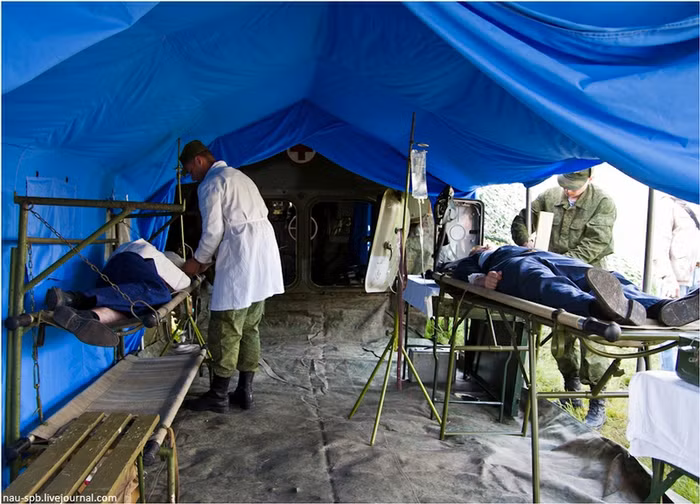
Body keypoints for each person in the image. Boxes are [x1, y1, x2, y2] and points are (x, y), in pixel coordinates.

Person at [437, 245, 699, 428]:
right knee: (540, 281)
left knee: (600, 276)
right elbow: (455, 271)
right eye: (479, 247)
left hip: (547, 255)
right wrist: (481, 280)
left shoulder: (510, 245)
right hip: (510, 265)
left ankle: (662, 307)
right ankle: (597, 307)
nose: (482, 245)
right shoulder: (477, 259)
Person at [179, 140, 284, 413]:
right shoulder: (240, 176)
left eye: (190, 170)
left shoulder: (211, 183)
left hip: (242, 256)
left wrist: (198, 262)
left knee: (226, 326)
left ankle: (218, 394)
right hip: (263, 255)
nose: (191, 176)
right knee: (250, 326)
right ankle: (245, 391)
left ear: (199, 160)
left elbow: (213, 231)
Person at [511, 167, 617, 427]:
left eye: (574, 185)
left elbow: (594, 244)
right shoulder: (548, 197)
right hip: (555, 278)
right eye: (565, 183)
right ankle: (571, 390)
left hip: (589, 279)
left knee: (593, 339)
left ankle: (597, 400)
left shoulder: (603, 202)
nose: (568, 189)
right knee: (561, 336)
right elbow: (522, 220)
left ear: (590, 178)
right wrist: (525, 243)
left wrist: (554, 263)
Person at [46, 239, 191, 347]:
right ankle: (77, 299)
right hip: (130, 263)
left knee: (130, 310)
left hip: (109, 281)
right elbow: (182, 283)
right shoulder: (165, 265)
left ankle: (84, 315)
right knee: (162, 296)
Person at [653, 194, 700, 370]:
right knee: (669, 329)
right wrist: (667, 277)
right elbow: (660, 244)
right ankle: (669, 373)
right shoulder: (670, 203)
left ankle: (690, 373)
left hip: (697, 273)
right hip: (677, 275)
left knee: (695, 332)